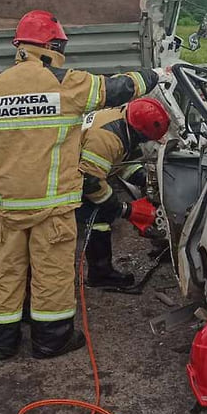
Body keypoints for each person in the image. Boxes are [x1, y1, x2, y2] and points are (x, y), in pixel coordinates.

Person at [0, 9, 160, 360]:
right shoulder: (63, 83)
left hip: (10, 205)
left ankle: (1, 342)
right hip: (51, 206)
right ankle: (51, 340)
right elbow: (117, 89)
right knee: (51, 273)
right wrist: (156, 74)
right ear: (52, 45)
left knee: (6, 271)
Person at [77, 97, 170, 289]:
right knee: (99, 220)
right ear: (139, 132)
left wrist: (145, 179)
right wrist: (125, 209)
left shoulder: (121, 121)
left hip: (82, 173)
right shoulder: (106, 139)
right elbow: (90, 183)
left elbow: (121, 163)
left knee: (101, 218)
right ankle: (100, 275)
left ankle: (100, 272)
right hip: (71, 180)